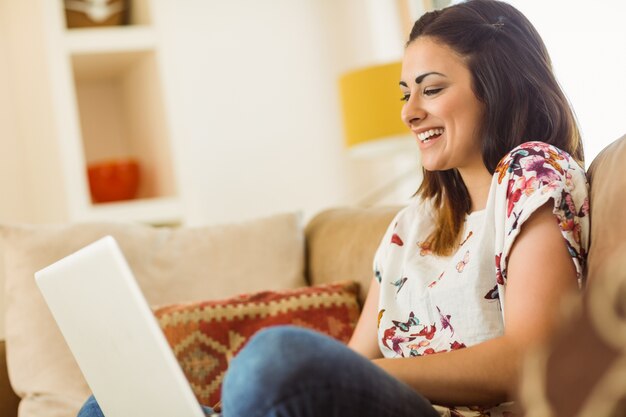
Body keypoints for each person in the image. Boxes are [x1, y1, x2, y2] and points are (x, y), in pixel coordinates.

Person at [77, 0, 589, 416]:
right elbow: (354, 360)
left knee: (277, 356)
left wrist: (354, 374)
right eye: (406, 93)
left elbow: (533, 357)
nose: (410, 112)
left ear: (497, 89)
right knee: (107, 408)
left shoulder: (531, 173)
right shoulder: (413, 224)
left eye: (431, 90)